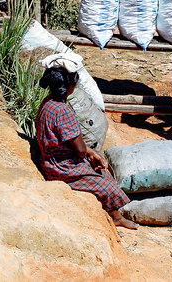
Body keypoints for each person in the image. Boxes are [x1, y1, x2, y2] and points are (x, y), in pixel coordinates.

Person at [35, 66, 138, 230]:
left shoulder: (48, 102)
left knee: (101, 170)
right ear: (69, 87)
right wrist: (87, 152)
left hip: (50, 159)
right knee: (106, 185)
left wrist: (91, 152)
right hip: (61, 167)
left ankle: (115, 214)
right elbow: (80, 150)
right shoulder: (63, 110)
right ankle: (116, 217)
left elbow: (74, 143)